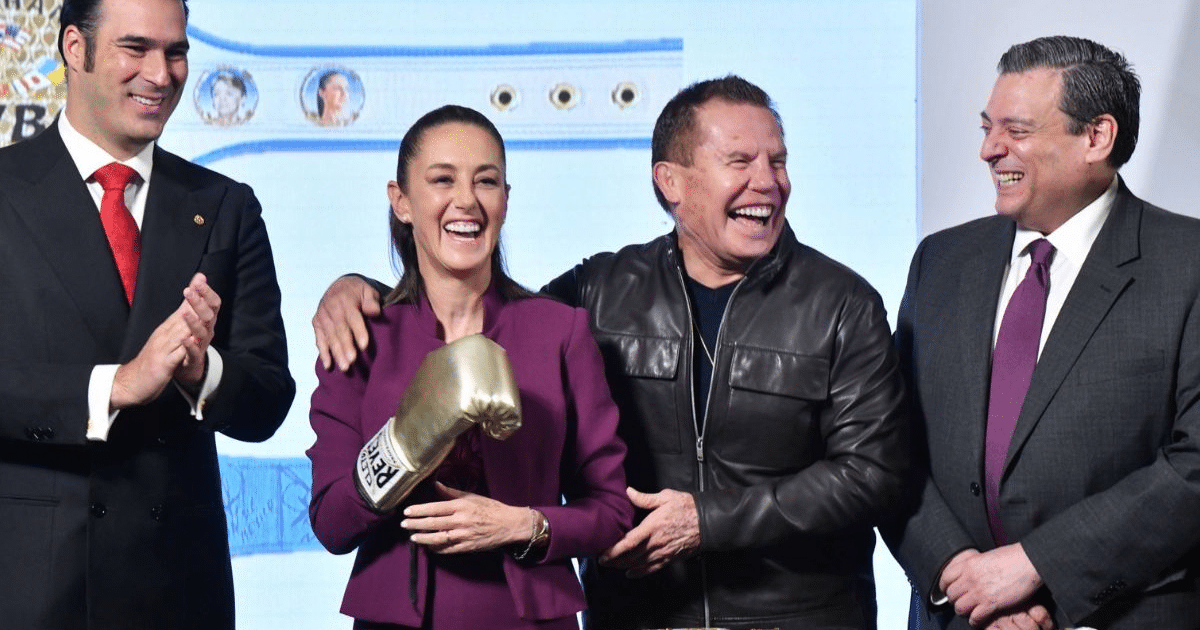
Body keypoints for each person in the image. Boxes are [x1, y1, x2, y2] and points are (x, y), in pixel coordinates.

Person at [312, 76, 908, 630]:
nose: (767, 181)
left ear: (506, 196)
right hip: (632, 613)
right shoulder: (595, 293)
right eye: (739, 162)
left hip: (797, 614)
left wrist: (533, 524)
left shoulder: (842, 304)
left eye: (777, 162)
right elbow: (334, 518)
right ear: (669, 181)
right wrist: (357, 297)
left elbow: (873, 472)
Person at [887, 36, 1200, 629]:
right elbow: (889, 445)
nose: (988, 150)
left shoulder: (1188, 264)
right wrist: (964, 576)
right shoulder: (941, 261)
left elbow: (1195, 464)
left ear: (1096, 137)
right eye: (987, 127)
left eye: (1016, 130)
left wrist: (1038, 567)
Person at [0, 0, 295, 628]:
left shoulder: (224, 205)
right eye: (136, 49)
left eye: (177, 51)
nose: (161, 74)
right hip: (31, 585)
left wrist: (201, 372)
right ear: (74, 50)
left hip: (178, 589)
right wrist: (115, 384)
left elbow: (268, 398)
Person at [306, 104, 632, 629]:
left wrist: (521, 525)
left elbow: (611, 514)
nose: (466, 201)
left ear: (505, 199)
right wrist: (406, 445)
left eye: (487, 181)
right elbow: (331, 523)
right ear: (402, 202)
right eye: (442, 179)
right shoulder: (360, 336)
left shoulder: (559, 332)